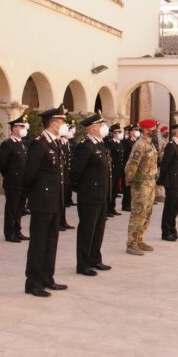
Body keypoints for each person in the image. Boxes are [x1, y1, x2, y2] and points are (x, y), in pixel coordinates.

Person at [23, 105, 69, 297]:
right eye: (62, 121)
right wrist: (30, 198)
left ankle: (47, 277)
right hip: (42, 201)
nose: (64, 125)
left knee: (51, 240)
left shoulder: (56, 143)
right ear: (53, 123)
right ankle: (33, 282)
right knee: (39, 241)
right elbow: (29, 174)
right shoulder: (39, 143)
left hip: (54, 200)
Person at [70, 113, 112, 276]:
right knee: (87, 229)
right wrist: (81, 189)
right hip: (89, 195)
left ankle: (95, 258)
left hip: (101, 194)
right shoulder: (85, 146)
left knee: (99, 228)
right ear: (93, 128)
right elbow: (75, 172)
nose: (104, 127)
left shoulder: (101, 144)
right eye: (101, 125)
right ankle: (83, 264)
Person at [125, 118, 159, 256]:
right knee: (138, 213)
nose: (155, 131)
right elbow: (131, 165)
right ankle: (131, 244)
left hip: (150, 184)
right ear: (146, 130)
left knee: (147, 213)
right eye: (153, 129)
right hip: (141, 185)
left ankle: (139, 239)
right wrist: (132, 182)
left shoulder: (151, 144)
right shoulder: (139, 145)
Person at [0, 113, 29, 243]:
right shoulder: (8, 144)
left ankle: (17, 230)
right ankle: (9, 233)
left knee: (20, 208)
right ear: (14, 128)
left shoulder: (22, 143)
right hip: (12, 182)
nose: (23, 128)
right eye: (21, 126)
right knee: (12, 208)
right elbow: (1, 163)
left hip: (22, 182)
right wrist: (9, 175)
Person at [158, 122, 178, 241]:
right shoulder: (171, 145)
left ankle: (173, 229)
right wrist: (161, 180)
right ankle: (166, 232)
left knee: (175, 207)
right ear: (176, 131)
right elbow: (165, 164)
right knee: (169, 207)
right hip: (171, 181)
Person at [105, 123, 124, 217]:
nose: (119, 134)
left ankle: (112, 208)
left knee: (115, 190)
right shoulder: (110, 143)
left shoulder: (119, 143)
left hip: (118, 169)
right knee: (110, 190)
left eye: (119, 132)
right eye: (117, 132)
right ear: (113, 133)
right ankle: (107, 209)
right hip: (112, 169)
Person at [59, 126, 75, 230]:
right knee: (59, 201)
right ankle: (58, 222)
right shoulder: (59, 142)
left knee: (63, 201)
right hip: (60, 177)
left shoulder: (67, 142)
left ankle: (63, 220)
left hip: (66, 176)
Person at [120, 124, 138, 211]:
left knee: (132, 187)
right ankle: (125, 204)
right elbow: (125, 154)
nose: (136, 132)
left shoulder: (136, 141)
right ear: (130, 132)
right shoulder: (127, 142)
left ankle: (130, 203)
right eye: (134, 130)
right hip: (128, 166)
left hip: (134, 167)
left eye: (136, 130)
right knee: (127, 186)